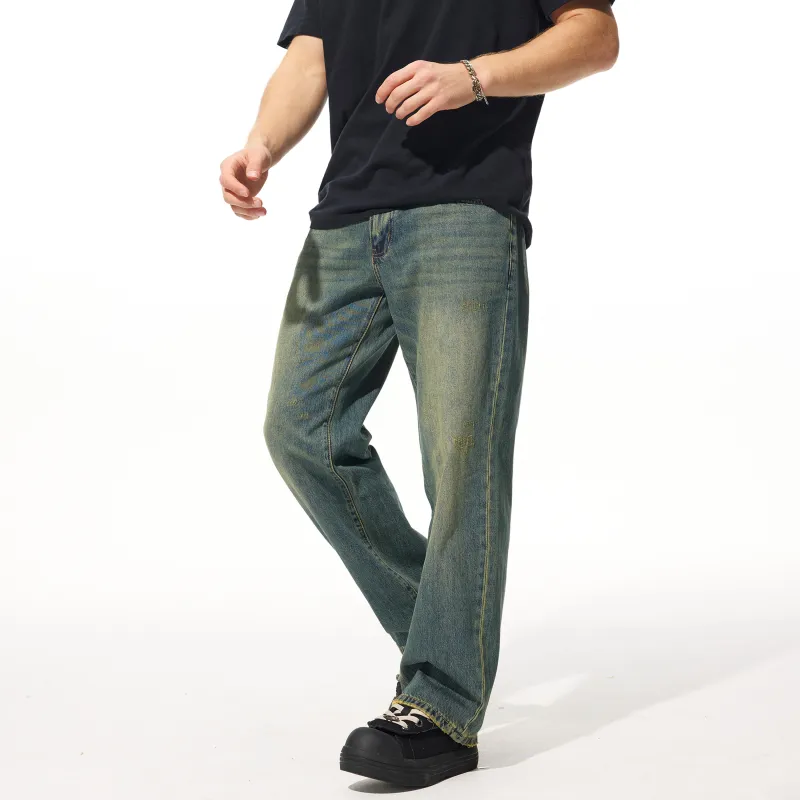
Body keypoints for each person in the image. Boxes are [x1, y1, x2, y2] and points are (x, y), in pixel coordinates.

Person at [218, 0, 619, 787]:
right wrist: (261, 144)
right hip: (343, 221)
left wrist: (477, 77)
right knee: (300, 432)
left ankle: (442, 706)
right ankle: (451, 639)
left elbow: (595, 36)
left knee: (460, 460)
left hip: (463, 211)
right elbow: (311, 55)